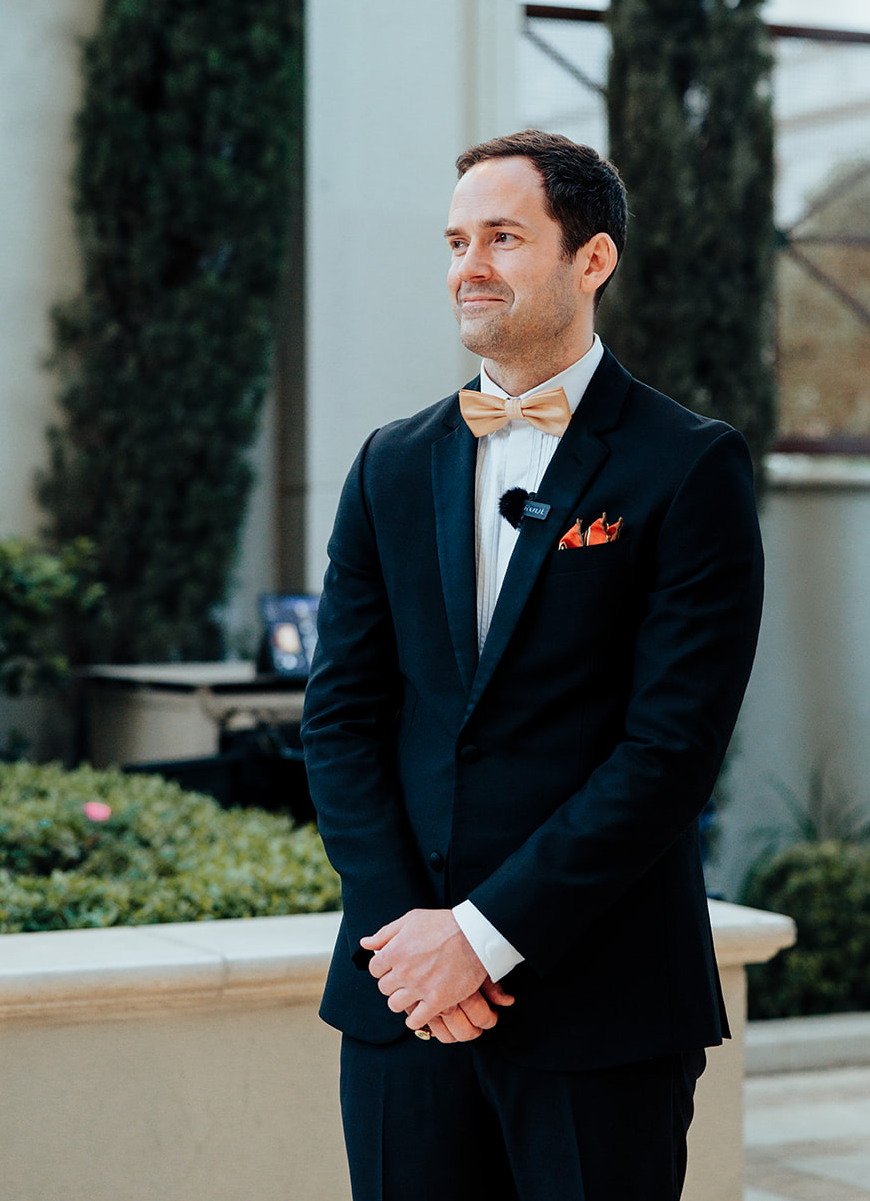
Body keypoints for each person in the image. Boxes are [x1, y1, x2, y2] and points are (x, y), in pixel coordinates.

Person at [301, 129, 763, 1201]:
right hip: (402, 1002)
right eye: (457, 239)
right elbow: (339, 719)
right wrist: (411, 941)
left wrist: (484, 936)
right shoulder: (390, 461)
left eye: (503, 237)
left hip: (598, 1005)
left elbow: (668, 751)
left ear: (589, 259)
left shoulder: (688, 464)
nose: (469, 264)